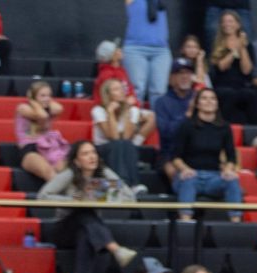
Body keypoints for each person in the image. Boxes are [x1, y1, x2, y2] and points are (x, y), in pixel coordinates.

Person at [38, 141, 139, 273]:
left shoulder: (104, 173)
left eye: (93, 152)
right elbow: (43, 196)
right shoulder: (69, 174)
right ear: (77, 161)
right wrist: (73, 200)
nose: (92, 157)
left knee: (85, 233)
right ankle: (115, 248)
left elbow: (129, 196)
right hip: (64, 228)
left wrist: (107, 197)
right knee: (83, 211)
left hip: (88, 229)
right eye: (86, 154)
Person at [170, 88, 243, 222]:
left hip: (213, 177)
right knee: (188, 180)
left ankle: (236, 222)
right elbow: (176, 157)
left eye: (212, 98)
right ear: (197, 104)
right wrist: (185, 169)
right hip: (191, 174)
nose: (209, 101)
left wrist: (228, 169)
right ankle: (185, 220)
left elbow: (231, 156)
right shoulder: (187, 126)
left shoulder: (224, 127)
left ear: (217, 104)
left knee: (232, 180)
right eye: (204, 98)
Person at [92, 78, 155, 188]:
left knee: (125, 144)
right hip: (103, 149)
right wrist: (110, 112)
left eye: (122, 88)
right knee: (119, 144)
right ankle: (127, 185)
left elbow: (126, 137)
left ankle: (132, 185)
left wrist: (126, 110)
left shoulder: (132, 110)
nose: (121, 91)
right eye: (116, 89)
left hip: (125, 146)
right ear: (107, 94)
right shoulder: (98, 110)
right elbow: (113, 137)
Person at [209, 10, 257, 124]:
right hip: (222, 84)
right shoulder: (216, 44)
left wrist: (242, 48)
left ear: (238, 24)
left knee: (251, 95)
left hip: (241, 84)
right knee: (229, 94)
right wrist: (234, 50)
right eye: (224, 21)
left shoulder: (247, 45)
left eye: (231, 21)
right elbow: (221, 67)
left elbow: (246, 70)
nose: (227, 24)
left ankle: (252, 128)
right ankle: (225, 126)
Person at [16, 81, 69, 184]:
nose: (47, 99)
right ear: (33, 96)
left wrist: (45, 101)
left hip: (48, 147)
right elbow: (42, 116)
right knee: (49, 172)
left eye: (49, 95)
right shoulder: (23, 108)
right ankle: (62, 199)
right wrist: (32, 101)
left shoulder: (48, 108)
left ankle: (75, 197)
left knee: (66, 171)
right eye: (43, 95)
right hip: (30, 149)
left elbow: (60, 108)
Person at [121, 0, 172, 108]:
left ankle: (157, 123)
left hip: (161, 50)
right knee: (137, 90)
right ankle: (133, 123)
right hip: (135, 48)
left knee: (159, 91)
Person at [154, 59, 197, 181]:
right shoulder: (162, 102)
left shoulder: (200, 98)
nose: (184, 77)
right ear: (171, 77)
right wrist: (187, 115)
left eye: (188, 73)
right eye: (180, 73)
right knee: (175, 173)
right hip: (170, 153)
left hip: (197, 151)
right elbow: (166, 133)